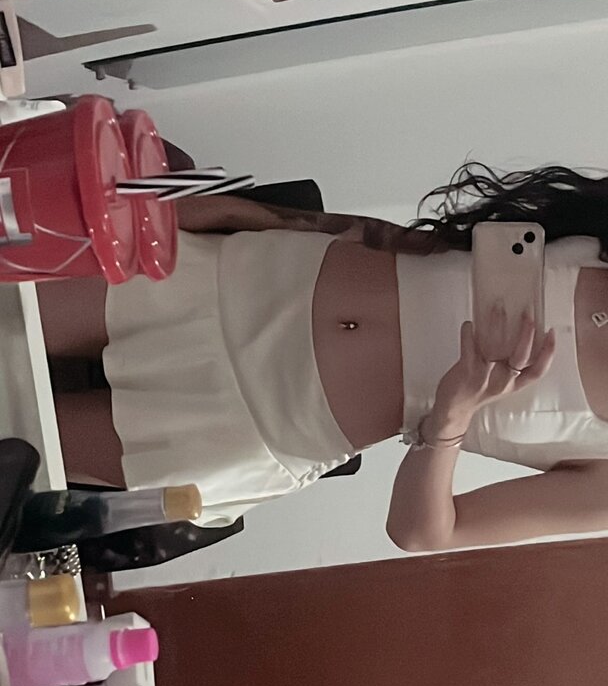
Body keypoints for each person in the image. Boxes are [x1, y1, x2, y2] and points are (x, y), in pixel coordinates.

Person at [38, 161, 608, 551]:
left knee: (18, 433)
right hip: (238, 277)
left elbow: (426, 533)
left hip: (250, 426)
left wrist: (451, 416)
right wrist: (256, 216)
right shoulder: (599, 241)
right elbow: (419, 247)